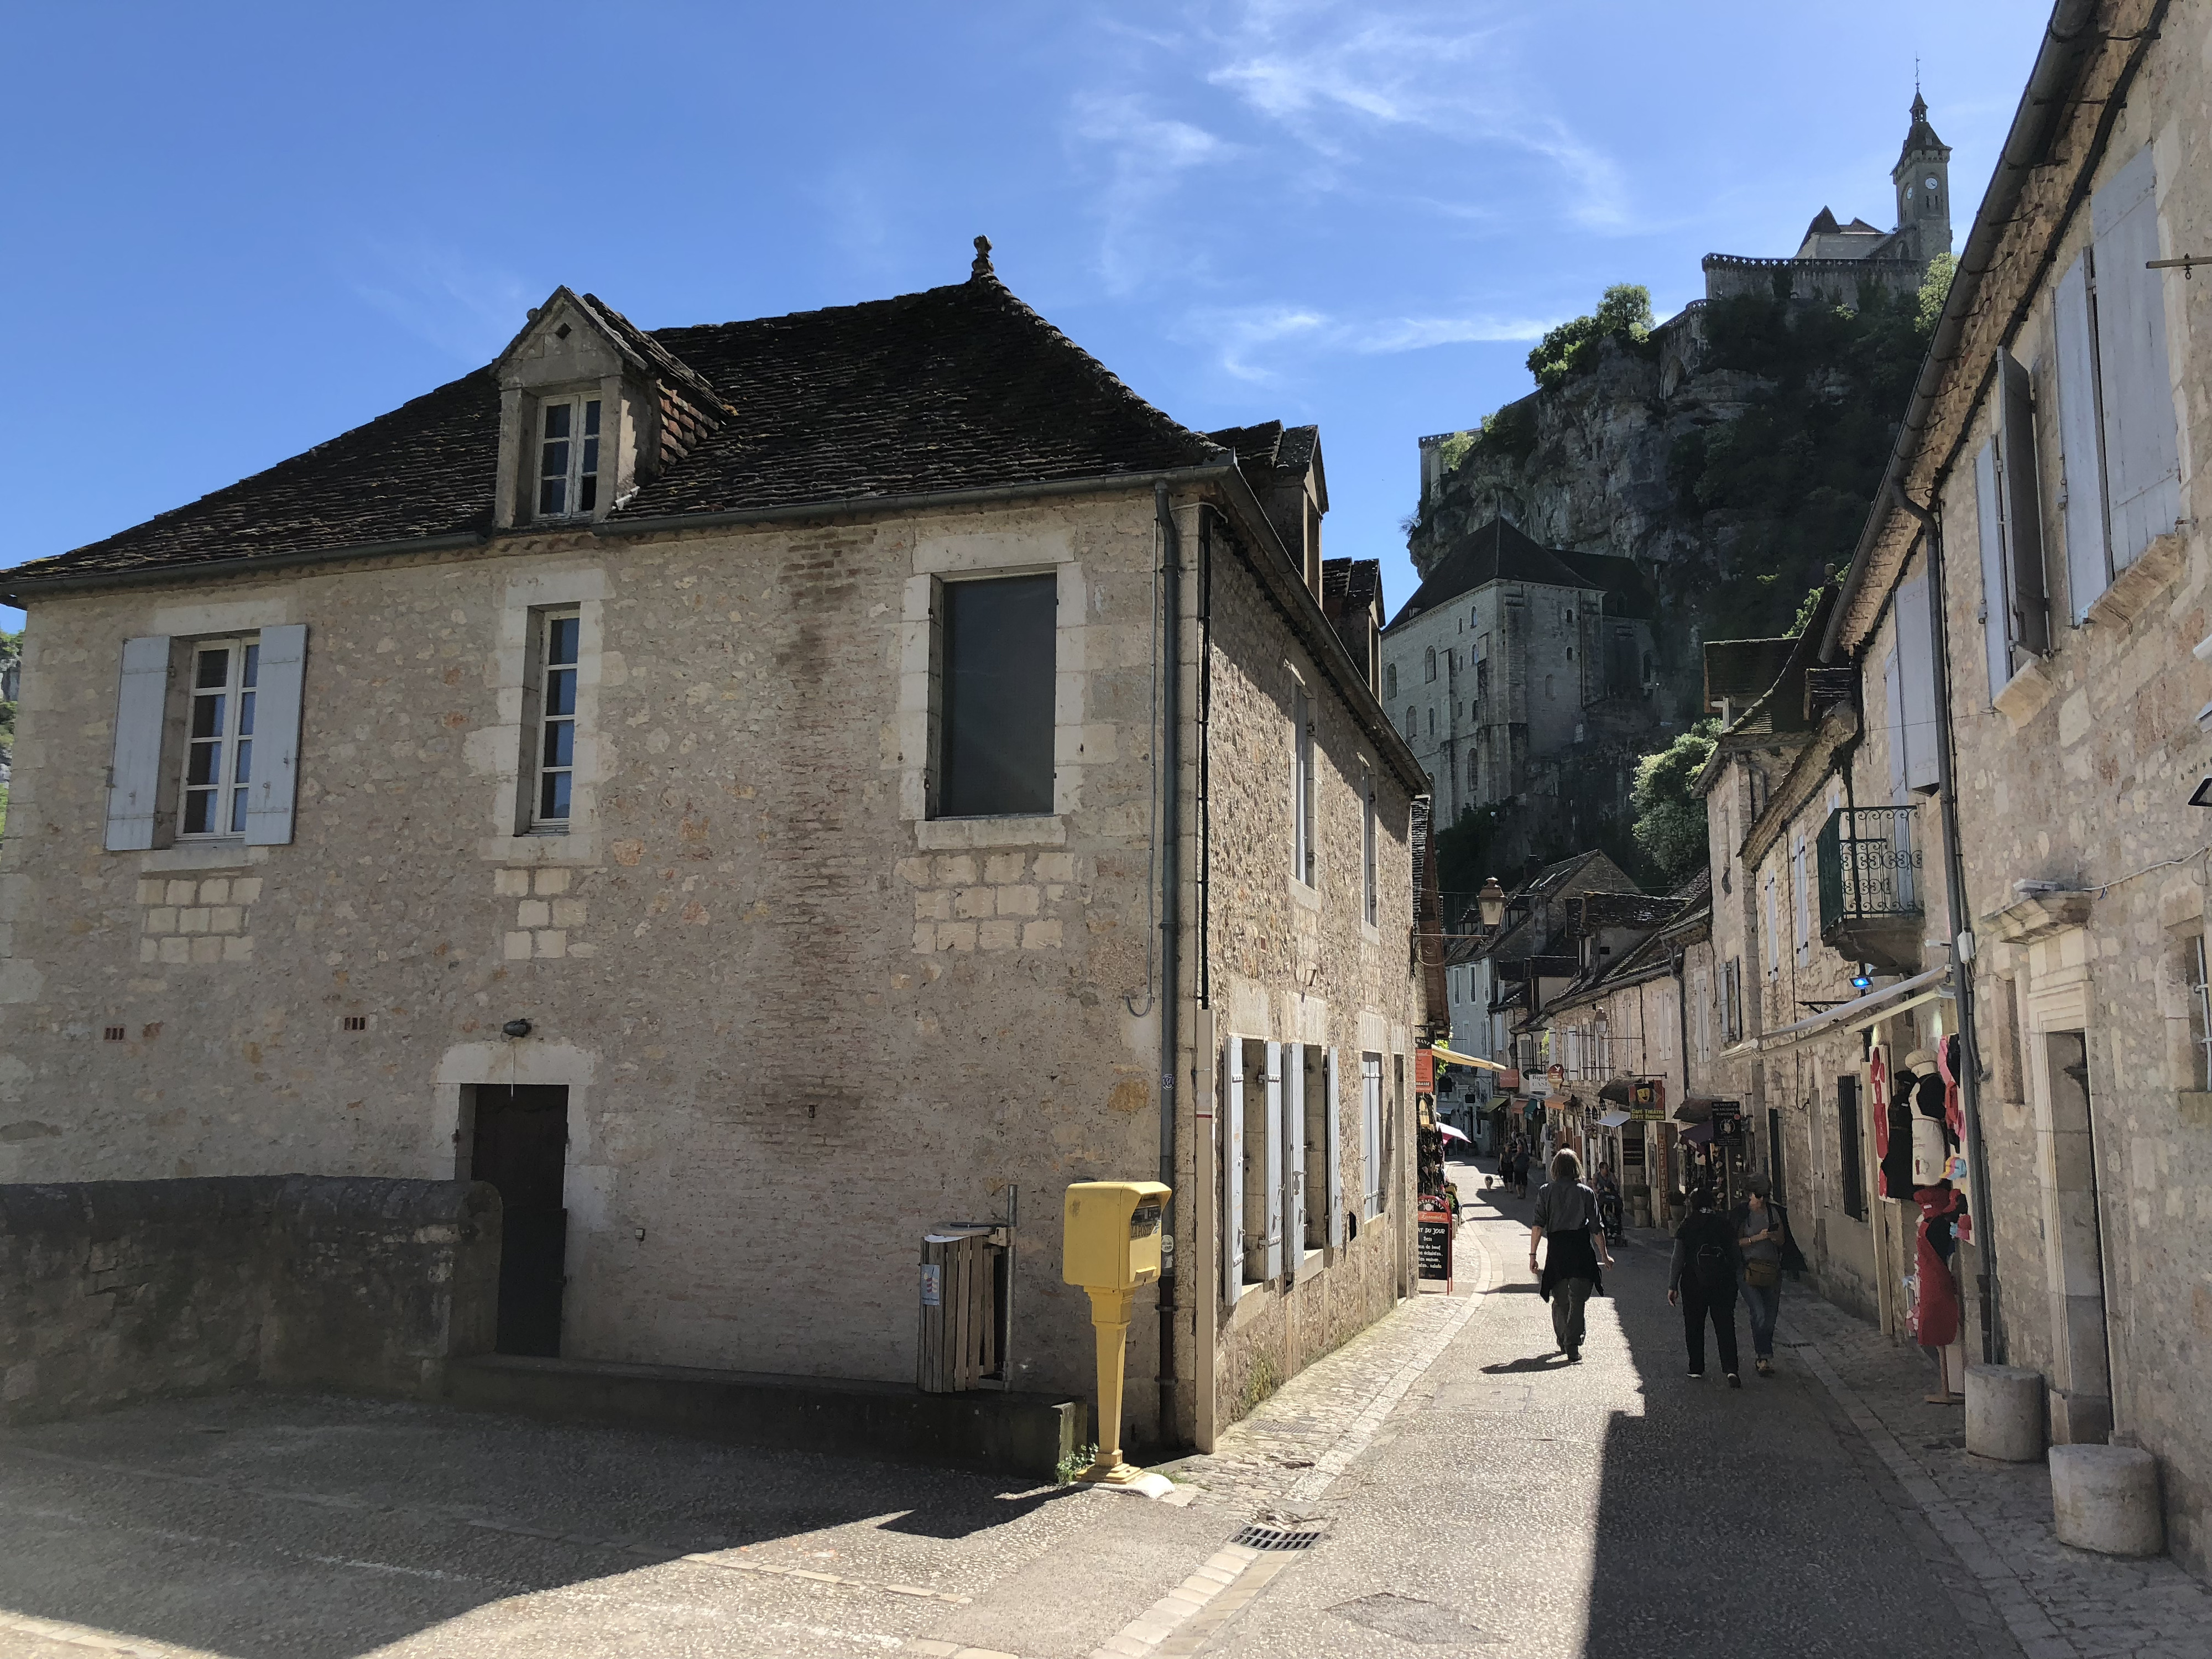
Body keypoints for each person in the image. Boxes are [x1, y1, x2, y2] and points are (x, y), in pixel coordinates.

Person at [1529, 1147, 1615, 1361]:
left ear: (1555, 1169)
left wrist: (1533, 1255)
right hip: (1580, 1248)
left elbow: (1538, 1225)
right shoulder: (1585, 1192)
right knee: (1578, 1299)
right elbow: (1596, 1227)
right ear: (1576, 1168)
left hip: (1557, 1249)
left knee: (1560, 1298)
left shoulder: (1545, 1191)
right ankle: (1572, 1342)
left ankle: (1564, 1338)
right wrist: (1604, 1255)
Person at [1669, 1187, 1743, 1386]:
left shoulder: (1688, 1225)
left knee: (1694, 1324)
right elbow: (1735, 1253)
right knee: (1725, 1324)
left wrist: (1672, 1285)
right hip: (1723, 1281)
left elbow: (1678, 1258)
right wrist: (1738, 1276)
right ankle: (1731, 1369)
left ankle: (1696, 1367)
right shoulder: (1724, 1222)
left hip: (1694, 1281)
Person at [1733, 1177, 1784, 1376]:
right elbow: (1734, 1243)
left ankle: (1763, 1354)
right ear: (1750, 1195)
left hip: (1772, 1270)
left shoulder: (1774, 1213)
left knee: (1770, 1317)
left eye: (1766, 1196)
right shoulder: (1741, 1215)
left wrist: (1774, 1237)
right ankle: (1763, 1357)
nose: (1762, 1200)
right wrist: (1757, 1238)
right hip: (1748, 1270)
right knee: (1760, 1313)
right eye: (1759, 1196)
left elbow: (1783, 1241)